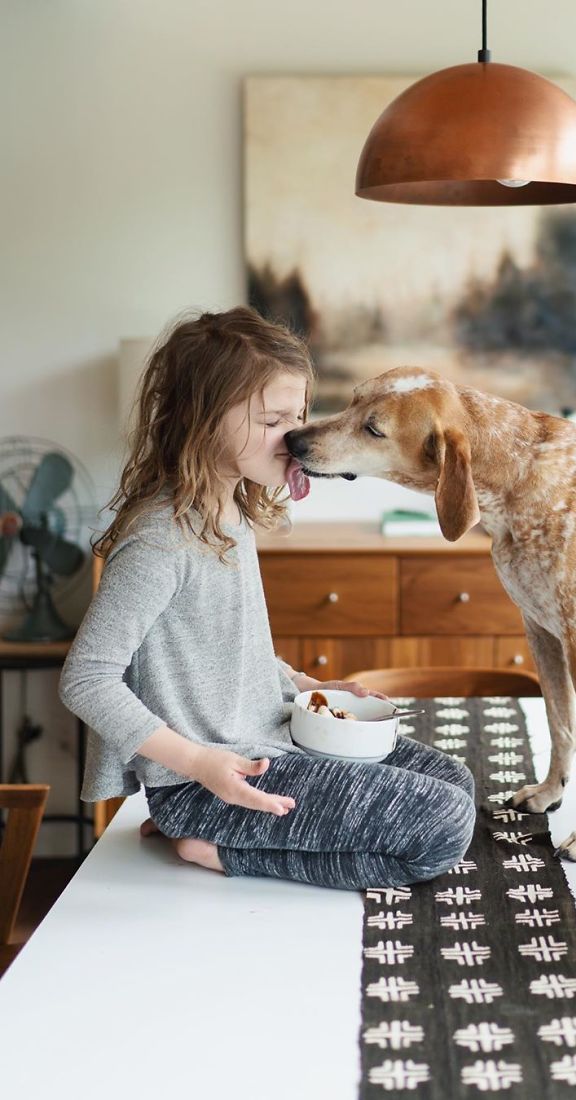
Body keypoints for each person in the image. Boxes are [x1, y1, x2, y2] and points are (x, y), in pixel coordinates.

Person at [59, 306, 475, 888]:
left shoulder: (230, 512)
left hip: (271, 737)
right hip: (215, 780)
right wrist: (199, 764)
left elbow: (229, 653)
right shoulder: (160, 540)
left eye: (298, 414)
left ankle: (222, 834)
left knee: (458, 783)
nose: (296, 434)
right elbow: (86, 679)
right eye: (274, 419)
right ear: (203, 419)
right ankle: (217, 848)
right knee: (445, 823)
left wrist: (309, 686)